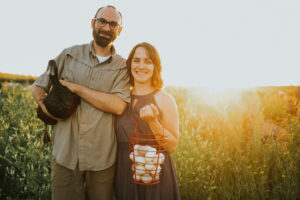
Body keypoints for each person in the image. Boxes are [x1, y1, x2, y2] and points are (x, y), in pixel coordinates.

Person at [31, 5, 130, 200]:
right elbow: (38, 87)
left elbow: (118, 105)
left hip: (102, 158)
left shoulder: (123, 67)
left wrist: (77, 88)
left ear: (119, 30)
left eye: (113, 24)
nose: (106, 27)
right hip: (65, 154)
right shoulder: (69, 55)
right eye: (102, 21)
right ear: (93, 23)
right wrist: (47, 111)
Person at [114, 42, 181, 200]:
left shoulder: (165, 100)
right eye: (136, 60)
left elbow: (171, 145)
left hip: (156, 174)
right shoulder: (120, 98)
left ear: (155, 66)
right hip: (125, 174)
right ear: (130, 64)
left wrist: (153, 122)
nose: (141, 66)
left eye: (148, 61)